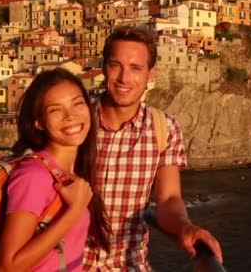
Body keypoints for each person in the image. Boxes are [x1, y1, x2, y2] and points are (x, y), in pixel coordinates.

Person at [83, 26, 223, 270]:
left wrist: (185, 227)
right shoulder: (77, 121)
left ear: (150, 74)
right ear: (104, 68)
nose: (124, 78)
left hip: (128, 265)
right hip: (69, 264)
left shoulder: (163, 128)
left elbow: (168, 198)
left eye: (136, 68)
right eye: (116, 65)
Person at [0, 68, 112, 271]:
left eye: (78, 104)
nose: (70, 116)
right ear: (39, 122)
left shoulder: (73, 174)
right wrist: (74, 211)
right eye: (55, 110)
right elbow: (8, 266)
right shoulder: (34, 175)